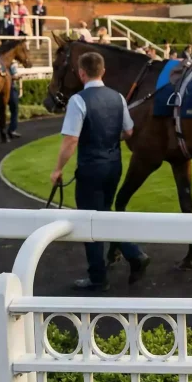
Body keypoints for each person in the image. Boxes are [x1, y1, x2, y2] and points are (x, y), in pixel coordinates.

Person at [50, 51, 150, 292]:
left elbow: (71, 141)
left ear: (82, 73)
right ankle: (132, 254)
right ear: (102, 71)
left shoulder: (78, 100)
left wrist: (58, 169)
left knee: (90, 221)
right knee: (105, 213)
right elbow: (128, 132)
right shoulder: (118, 97)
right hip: (114, 164)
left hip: (91, 167)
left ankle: (100, 276)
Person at [7, 58, 22, 139]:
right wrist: (18, 77)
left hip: (2, 90)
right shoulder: (11, 65)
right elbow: (15, 76)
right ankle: (12, 130)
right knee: (14, 110)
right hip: (11, 89)